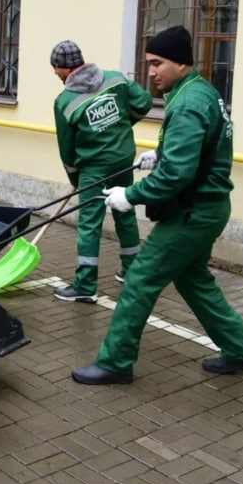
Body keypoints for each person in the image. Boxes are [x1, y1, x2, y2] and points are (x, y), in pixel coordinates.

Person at [71, 25, 243, 385]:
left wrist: (130, 195)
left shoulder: (188, 102)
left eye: (157, 63)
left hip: (193, 212)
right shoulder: (200, 91)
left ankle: (115, 363)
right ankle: (240, 350)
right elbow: (199, 149)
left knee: (140, 280)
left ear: (181, 63)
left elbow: (176, 175)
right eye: (148, 63)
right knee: (193, 280)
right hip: (209, 207)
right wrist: (160, 154)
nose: (151, 72)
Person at [49, 39, 153, 303]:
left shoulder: (65, 101)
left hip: (94, 168)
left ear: (65, 68)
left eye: (55, 68)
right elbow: (143, 102)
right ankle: (131, 271)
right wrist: (120, 125)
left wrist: (76, 178)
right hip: (123, 159)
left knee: (89, 224)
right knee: (124, 211)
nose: (54, 73)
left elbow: (68, 149)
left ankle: (85, 285)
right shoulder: (115, 79)